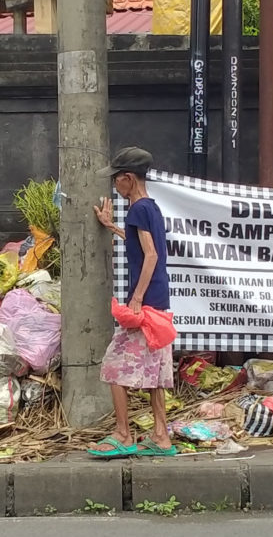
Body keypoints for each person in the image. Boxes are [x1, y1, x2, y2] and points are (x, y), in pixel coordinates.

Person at [87, 146, 176, 458]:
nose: (115, 187)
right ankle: (161, 436)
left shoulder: (138, 209)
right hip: (160, 302)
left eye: (116, 181)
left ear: (127, 178)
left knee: (113, 365)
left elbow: (150, 255)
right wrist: (112, 227)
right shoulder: (151, 207)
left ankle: (123, 434)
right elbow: (143, 247)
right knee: (155, 374)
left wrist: (136, 299)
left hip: (146, 305)